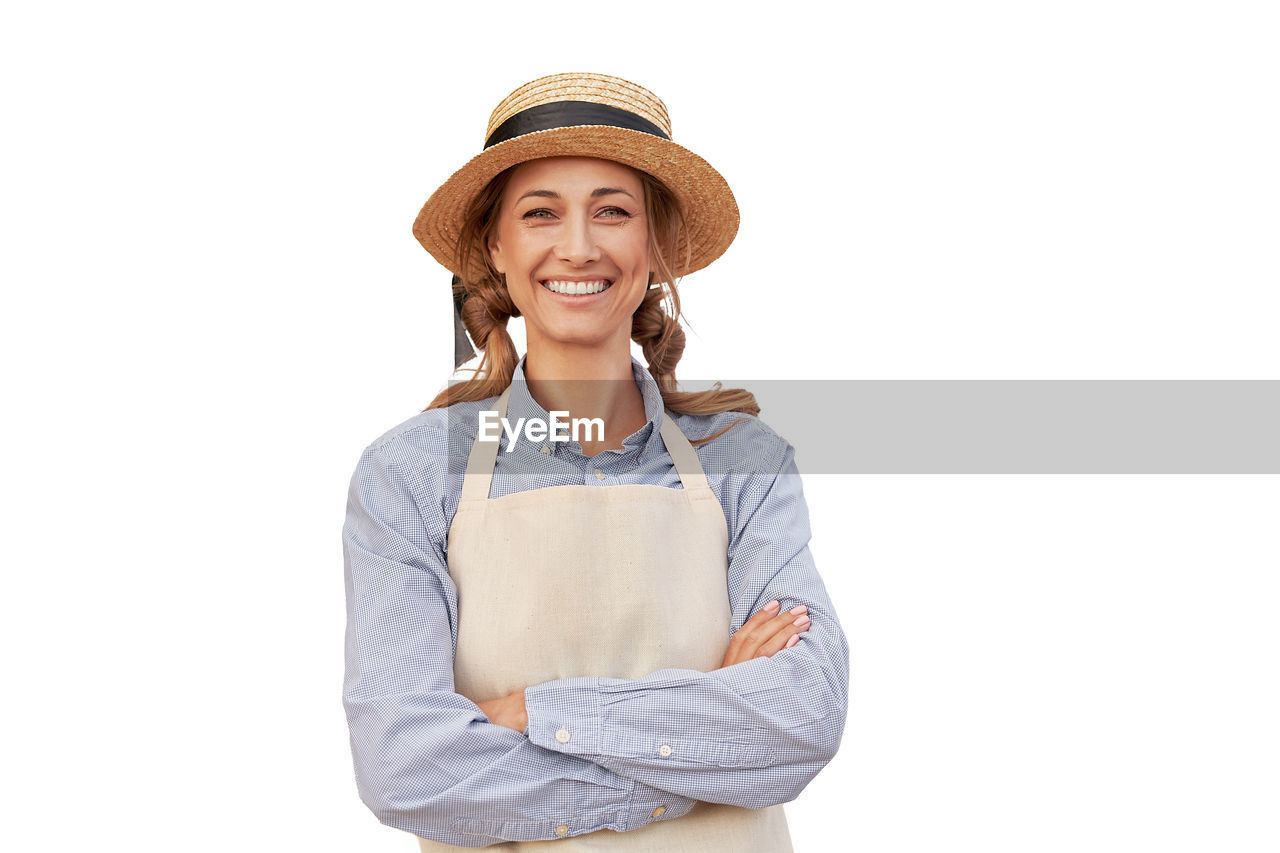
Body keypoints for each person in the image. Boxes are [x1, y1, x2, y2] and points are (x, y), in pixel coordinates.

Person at [342, 72, 849, 851]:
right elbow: (407, 766)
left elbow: (802, 716)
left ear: (656, 245)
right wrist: (708, 729)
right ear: (495, 245)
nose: (577, 246)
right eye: (540, 213)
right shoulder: (409, 475)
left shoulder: (744, 462)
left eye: (613, 211)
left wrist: (537, 712)